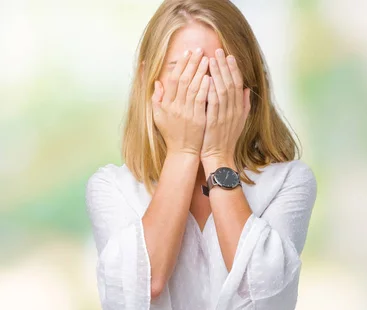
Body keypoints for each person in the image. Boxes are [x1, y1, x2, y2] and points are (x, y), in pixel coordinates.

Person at [84, 0, 317, 309]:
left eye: (216, 71)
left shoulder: (289, 181)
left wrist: (218, 155)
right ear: (147, 80)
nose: (201, 89)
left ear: (246, 82)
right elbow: (143, 286)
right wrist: (184, 151)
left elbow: (261, 293)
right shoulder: (112, 188)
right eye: (183, 72)